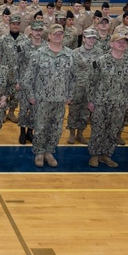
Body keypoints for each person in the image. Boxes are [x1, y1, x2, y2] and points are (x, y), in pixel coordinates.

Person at [86, 27, 128, 168]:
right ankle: (94, 155)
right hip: (101, 102)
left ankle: (106, 154)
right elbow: (91, 81)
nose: (121, 44)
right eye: (118, 42)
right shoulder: (101, 60)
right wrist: (90, 100)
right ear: (111, 44)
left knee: (113, 130)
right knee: (98, 129)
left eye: (124, 42)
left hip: (120, 103)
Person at [26, 24, 75, 168]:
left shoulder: (70, 54)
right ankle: (39, 152)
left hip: (60, 99)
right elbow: (29, 77)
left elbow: (73, 77)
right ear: (49, 36)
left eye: (60, 34)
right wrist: (30, 95)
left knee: (56, 127)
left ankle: (49, 151)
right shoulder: (39, 53)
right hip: (41, 99)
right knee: (40, 127)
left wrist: (70, 94)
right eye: (55, 34)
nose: (58, 36)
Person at [67, 27, 102, 145]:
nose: (91, 40)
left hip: (91, 88)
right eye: (89, 38)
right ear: (84, 39)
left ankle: (80, 134)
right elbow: (70, 72)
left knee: (86, 112)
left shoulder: (100, 53)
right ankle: (72, 133)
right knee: (74, 110)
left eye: (93, 38)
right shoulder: (75, 53)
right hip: (77, 87)